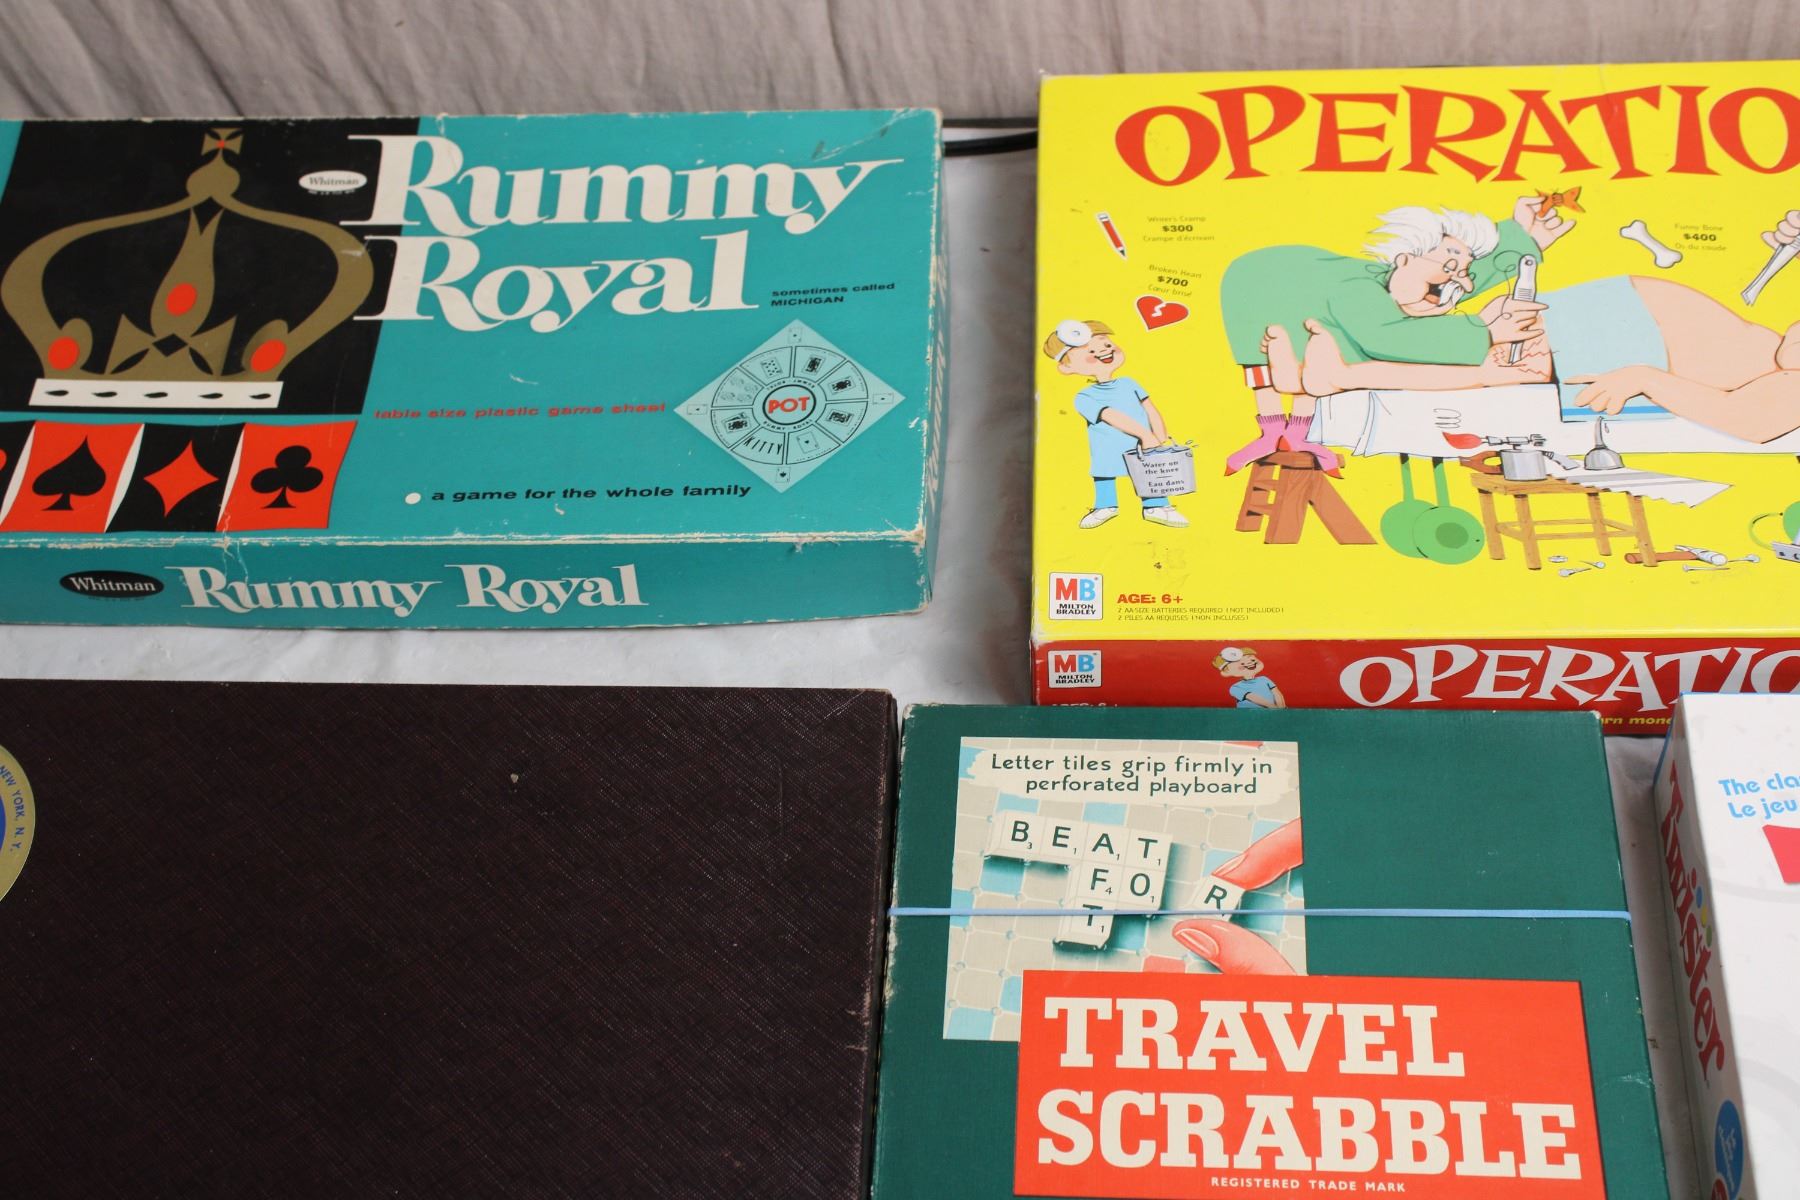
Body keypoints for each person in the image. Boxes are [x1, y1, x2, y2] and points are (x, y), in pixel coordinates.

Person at [1295, 209, 1800, 447]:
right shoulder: (1778, 350)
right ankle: (1348, 363)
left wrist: (1643, 377)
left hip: (1624, 345)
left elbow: (1749, 423)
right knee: (1480, 336)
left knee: (1484, 359)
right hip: (1616, 315)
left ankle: (1343, 375)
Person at [1217, 197, 1568, 473]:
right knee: (1301, 370)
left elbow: (1452, 277)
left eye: (1459, 276)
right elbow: (1389, 339)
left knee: (1314, 368)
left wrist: (1522, 240)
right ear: (1403, 259)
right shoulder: (1357, 290)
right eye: (1448, 270)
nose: (1458, 283)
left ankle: (1295, 434)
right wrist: (1484, 331)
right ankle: (1276, 432)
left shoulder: (1398, 281)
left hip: (1291, 304)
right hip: (1262, 298)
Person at [1043, 318, 1188, 529]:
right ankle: (1105, 506)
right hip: (1109, 448)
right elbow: (1109, 415)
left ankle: (1155, 506)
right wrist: (1145, 435)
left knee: (1151, 473)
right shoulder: (1084, 397)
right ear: (1067, 367)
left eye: (1106, 343)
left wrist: (1160, 434)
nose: (1104, 350)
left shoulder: (1129, 383)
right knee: (1105, 473)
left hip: (1144, 445)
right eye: (1091, 351)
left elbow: (1150, 408)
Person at [1214, 646, 1285, 709]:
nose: (1249, 663)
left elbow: (1277, 693)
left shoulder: (1264, 679)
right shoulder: (1235, 687)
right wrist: (1273, 708)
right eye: (1242, 663)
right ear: (1226, 672)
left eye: (1252, 660)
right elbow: (1252, 697)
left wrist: (1281, 709)